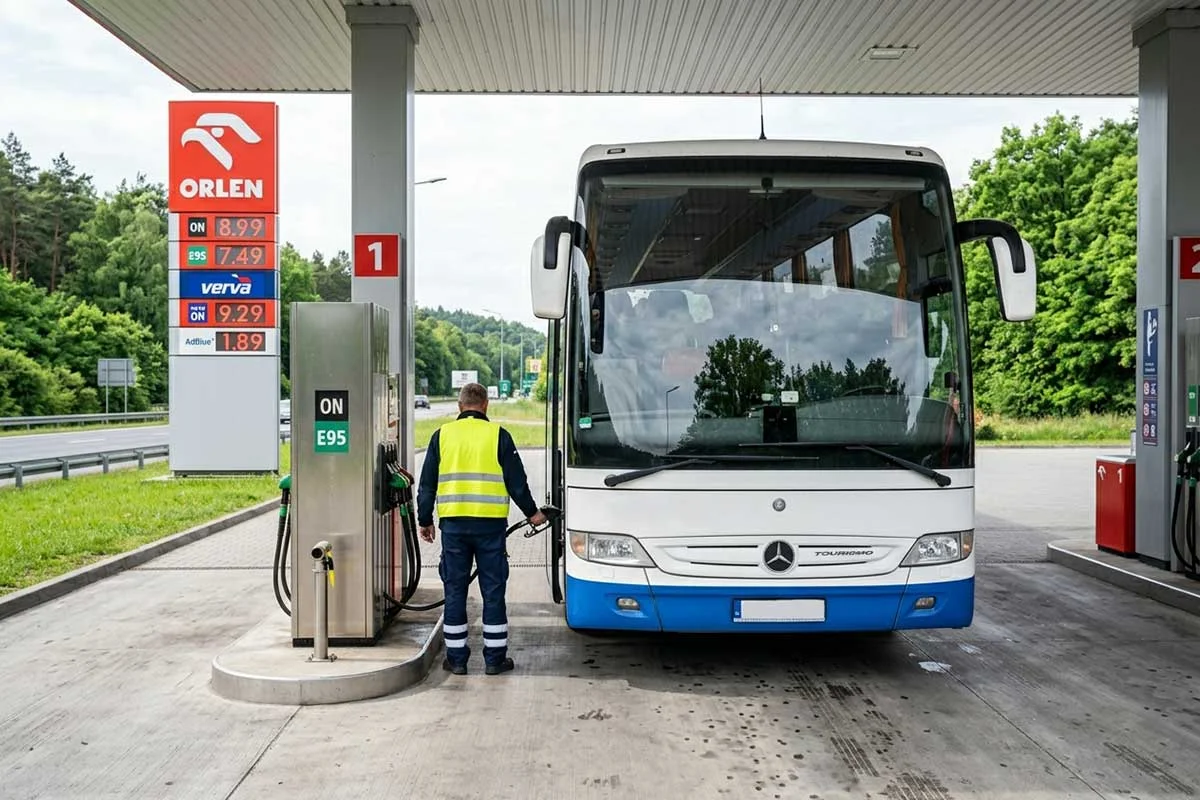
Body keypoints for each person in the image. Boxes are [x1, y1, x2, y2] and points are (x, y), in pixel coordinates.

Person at [417, 382, 547, 675]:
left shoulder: (441, 436)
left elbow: (427, 485)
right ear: (486, 405)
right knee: (493, 591)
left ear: (459, 406)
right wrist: (533, 513)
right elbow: (517, 482)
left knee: (455, 591)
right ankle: (494, 660)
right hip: (490, 528)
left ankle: (456, 660)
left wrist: (425, 520)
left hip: (454, 528)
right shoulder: (499, 435)